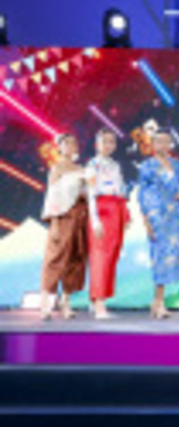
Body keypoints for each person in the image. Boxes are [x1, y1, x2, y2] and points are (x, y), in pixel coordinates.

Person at [138, 129, 179, 319]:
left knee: (170, 256)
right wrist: (146, 220)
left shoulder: (176, 165)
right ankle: (157, 301)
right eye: (159, 141)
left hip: (174, 215)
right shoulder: (147, 166)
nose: (163, 145)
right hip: (156, 214)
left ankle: (160, 301)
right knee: (159, 256)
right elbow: (142, 193)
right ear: (153, 144)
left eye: (167, 141)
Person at [40, 133, 89, 321]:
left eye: (73, 142)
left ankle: (66, 302)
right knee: (55, 258)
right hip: (61, 218)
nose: (70, 145)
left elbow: (88, 194)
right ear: (59, 148)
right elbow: (52, 197)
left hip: (80, 218)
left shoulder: (82, 169)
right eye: (66, 143)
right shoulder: (56, 169)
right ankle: (46, 304)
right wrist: (53, 222)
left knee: (75, 259)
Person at [86, 129, 129, 320]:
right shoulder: (92, 165)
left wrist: (125, 214)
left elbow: (121, 190)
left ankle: (97, 299)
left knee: (112, 255)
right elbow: (90, 193)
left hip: (116, 209)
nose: (108, 145)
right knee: (100, 256)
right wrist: (94, 219)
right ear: (97, 144)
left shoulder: (115, 165)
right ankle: (99, 305)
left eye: (112, 142)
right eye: (105, 141)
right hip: (101, 209)